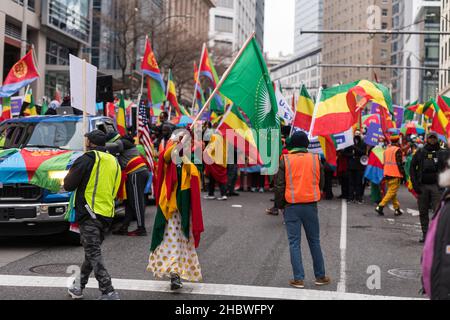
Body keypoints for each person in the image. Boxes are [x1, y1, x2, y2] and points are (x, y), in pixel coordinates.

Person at [64, 130, 121, 300]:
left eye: (86, 140)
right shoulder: (114, 161)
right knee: (91, 252)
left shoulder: (87, 159)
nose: (85, 142)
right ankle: (78, 286)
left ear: (90, 143)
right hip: (107, 214)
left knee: (93, 252)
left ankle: (108, 290)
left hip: (89, 213)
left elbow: (68, 185)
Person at [147, 133, 204, 291]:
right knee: (170, 239)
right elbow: (165, 157)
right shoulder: (169, 157)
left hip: (185, 209)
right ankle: (174, 273)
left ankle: (177, 272)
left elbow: (195, 172)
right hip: (169, 209)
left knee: (183, 241)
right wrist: (177, 145)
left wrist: (185, 153)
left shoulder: (193, 158)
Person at [275, 131, 331, 289]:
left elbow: (279, 185)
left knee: (294, 243)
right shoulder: (315, 159)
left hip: (291, 205)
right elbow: (321, 182)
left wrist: (280, 205)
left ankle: (298, 278)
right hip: (310, 204)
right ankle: (320, 276)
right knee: (314, 241)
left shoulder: (285, 159)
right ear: (306, 144)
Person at [107, 132, 150, 237]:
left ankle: (141, 228)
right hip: (135, 173)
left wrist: (99, 145)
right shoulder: (125, 142)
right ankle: (124, 227)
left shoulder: (121, 142)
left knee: (136, 202)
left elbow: (114, 147)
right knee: (129, 202)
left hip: (136, 172)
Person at [410, 132, 448, 243]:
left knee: (438, 212)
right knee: (423, 211)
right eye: (430, 138)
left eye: (434, 138)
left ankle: (436, 236)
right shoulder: (421, 152)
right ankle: (425, 235)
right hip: (423, 186)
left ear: (437, 139)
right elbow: (412, 167)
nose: (432, 140)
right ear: (427, 139)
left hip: (437, 187)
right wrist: (415, 184)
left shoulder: (442, 152)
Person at [375, 135, 405, 217]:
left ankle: (397, 209)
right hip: (395, 174)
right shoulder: (397, 150)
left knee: (392, 193)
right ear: (398, 141)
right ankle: (380, 206)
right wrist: (403, 173)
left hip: (387, 173)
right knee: (391, 192)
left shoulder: (386, 150)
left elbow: (384, 162)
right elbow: (399, 164)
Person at [344, 130, 367, 204]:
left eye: (358, 134)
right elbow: (344, 153)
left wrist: (354, 148)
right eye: (356, 133)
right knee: (350, 183)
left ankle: (358, 198)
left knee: (358, 183)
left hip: (359, 166)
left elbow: (363, 153)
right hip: (351, 166)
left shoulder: (363, 144)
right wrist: (351, 155)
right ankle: (350, 198)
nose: (357, 135)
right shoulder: (349, 143)